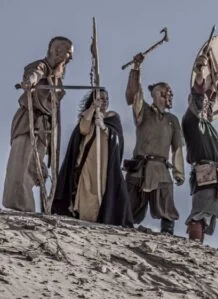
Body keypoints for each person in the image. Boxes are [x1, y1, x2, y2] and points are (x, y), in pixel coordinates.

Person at [4, 36, 73, 212]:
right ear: (57, 51)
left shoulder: (57, 80)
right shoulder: (41, 66)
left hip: (44, 129)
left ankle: (27, 207)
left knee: (34, 169)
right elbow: (34, 74)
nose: (70, 58)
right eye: (68, 53)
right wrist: (30, 82)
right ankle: (18, 207)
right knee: (21, 165)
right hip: (30, 123)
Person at [123, 53, 185, 234]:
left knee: (166, 203)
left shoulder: (172, 120)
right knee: (130, 203)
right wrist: (136, 69)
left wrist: (179, 171)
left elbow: (178, 147)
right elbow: (134, 96)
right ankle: (123, 228)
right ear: (154, 94)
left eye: (169, 92)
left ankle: (168, 233)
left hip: (161, 169)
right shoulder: (144, 112)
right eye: (162, 91)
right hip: (141, 165)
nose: (166, 94)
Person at [52, 89, 133, 226]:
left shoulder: (113, 117)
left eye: (106, 98)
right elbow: (83, 129)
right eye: (101, 98)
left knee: (101, 188)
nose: (104, 101)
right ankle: (85, 216)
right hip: (88, 160)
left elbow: (117, 138)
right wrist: (92, 109)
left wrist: (103, 126)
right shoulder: (87, 115)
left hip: (104, 162)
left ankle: (100, 217)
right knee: (85, 186)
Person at [181, 84, 218, 242]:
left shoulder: (206, 126)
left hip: (214, 172)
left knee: (208, 213)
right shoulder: (191, 122)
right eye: (204, 102)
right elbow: (197, 105)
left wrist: (210, 97)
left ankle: (197, 246)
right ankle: (194, 246)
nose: (208, 105)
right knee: (200, 212)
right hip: (205, 171)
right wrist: (200, 92)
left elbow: (205, 110)